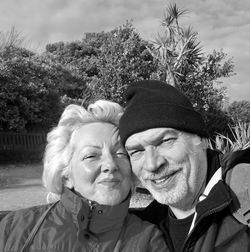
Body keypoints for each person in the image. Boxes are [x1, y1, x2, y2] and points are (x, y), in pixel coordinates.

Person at [0, 100, 168, 252]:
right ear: (66, 175)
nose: (110, 165)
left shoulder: (149, 241)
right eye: (91, 156)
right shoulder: (14, 229)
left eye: (121, 154)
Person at [119, 80, 250, 252]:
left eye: (165, 141)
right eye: (136, 151)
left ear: (201, 139)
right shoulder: (142, 230)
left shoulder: (244, 202)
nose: (152, 164)